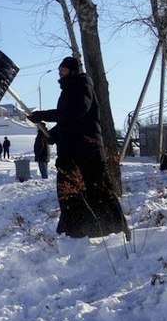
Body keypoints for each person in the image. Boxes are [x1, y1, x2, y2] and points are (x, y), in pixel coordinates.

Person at [28, 56, 130, 240]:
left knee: (99, 192)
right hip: (70, 154)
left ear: (73, 71)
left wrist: (45, 115)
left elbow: (75, 113)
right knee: (69, 194)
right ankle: (76, 232)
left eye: (63, 70)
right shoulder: (67, 91)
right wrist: (53, 135)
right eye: (59, 71)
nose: (60, 73)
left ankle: (116, 229)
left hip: (88, 153)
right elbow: (68, 122)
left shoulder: (83, 86)